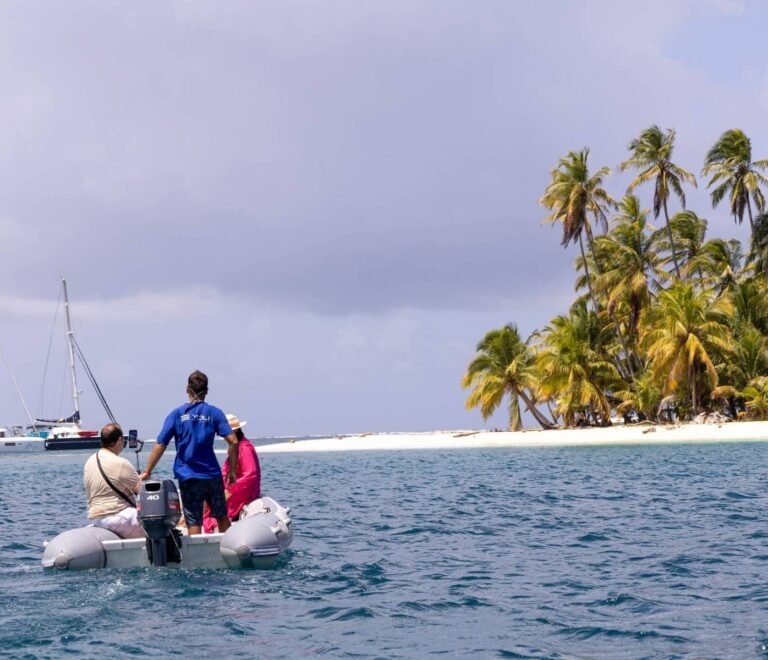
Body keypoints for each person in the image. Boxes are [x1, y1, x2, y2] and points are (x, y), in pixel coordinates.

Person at [140, 370, 239, 535]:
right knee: (221, 516)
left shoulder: (177, 414)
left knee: (194, 520)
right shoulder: (215, 413)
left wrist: (147, 471)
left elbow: (160, 444)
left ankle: (197, 558)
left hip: (189, 476)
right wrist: (233, 470)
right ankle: (229, 547)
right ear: (207, 390)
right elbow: (234, 442)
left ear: (187, 389)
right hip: (212, 475)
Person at [202, 414, 261, 533]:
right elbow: (225, 473)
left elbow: (250, 475)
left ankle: (217, 526)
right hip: (234, 486)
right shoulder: (234, 448)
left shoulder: (245, 449)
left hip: (244, 489)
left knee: (218, 506)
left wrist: (230, 490)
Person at [83, 423, 143, 539]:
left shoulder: (89, 462)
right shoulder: (121, 463)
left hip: (97, 520)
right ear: (120, 440)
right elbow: (143, 492)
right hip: (121, 519)